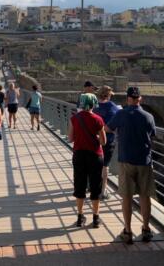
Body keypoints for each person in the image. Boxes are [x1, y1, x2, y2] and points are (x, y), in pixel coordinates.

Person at [106, 86, 156, 244]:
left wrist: (119, 132)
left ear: (128, 99)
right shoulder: (149, 116)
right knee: (144, 196)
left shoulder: (121, 114)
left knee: (126, 197)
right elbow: (152, 134)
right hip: (144, 160)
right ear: (140, 99)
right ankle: (146, 229)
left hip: (126, 160)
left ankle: (127, 231)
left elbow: (108, 128)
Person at [68, 94, 106, 229]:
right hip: (95, 156)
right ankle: (96, 218)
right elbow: (103, 141)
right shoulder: (98, 119)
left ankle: (80, 217)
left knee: (80, 185)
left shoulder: (74, 118)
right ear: (93, 104)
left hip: (79, 155)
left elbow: (70, 138)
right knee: (95, 186)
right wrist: (95, 136)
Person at [94, 85, 121, 200]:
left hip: (93, 139)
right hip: (107, 140)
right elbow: (111, 128)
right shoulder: (112, 107)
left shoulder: (93, 106)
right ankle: (103, 190)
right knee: (105, 166)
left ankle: (93, 186)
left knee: (94, 164)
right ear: (108, 95)